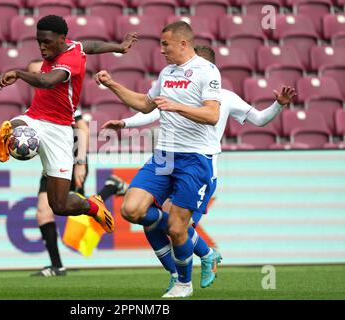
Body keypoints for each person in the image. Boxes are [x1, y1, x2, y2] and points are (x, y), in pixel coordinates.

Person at [103, 45, 297, 293]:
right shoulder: (174, 84)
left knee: (177, 229)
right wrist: (125, 122)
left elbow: (259, 119)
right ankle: (185, 269)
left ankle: (195, 267)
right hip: (170, 160)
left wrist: (278, 105)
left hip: (199, 169)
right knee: (148, 219)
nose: (186, 73)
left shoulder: (224, 97)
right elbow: (152, 111)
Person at [95, 21, 223, 298]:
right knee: (131, 210)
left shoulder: (208, 71)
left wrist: (176, 105)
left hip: (194, 159)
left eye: (165, 44)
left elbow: (212, 115)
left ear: (183, 44)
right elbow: (145, 103)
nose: (161, 49)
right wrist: (112, 84)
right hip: (163, 156)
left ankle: (183, 284)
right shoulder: (166, 73)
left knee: (178, 230)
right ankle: (198, 246)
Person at [0, 15, 137, 250]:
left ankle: (94, 207)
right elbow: (91, 46)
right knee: (18, 123)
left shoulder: (70, 60)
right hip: (36, 118)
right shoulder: (72, 46)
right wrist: (118, 47)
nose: (42, 47)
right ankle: (8, 137)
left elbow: (49, 81)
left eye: (46, 42)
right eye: (38, 41)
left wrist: (19, 73)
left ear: (61, 39)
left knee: (59, 205)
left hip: (60, 132)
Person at [24, 60, 128, 277]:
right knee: (46, 211)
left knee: (72, 212)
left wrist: (80, 163)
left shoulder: (62, 96)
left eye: (39, 72)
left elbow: (80, 127)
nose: (37, 76)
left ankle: (110, 187)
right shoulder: (36, 104)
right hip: (51, 164)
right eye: (32, 73)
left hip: (70, 159)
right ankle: (57, 265)